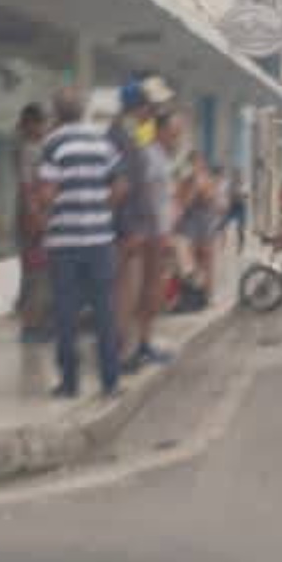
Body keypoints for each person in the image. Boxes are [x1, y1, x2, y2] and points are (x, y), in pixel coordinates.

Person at [34, 87, 124, 399]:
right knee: (104, 311)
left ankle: (69, 383)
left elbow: (47, 192)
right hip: (100, 239)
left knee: (66, 313)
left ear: (57, 112)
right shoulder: (103, 142)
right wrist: (101, 209)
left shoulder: (53, 143)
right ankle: (110, 382)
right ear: (84, 110)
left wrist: (47, 217)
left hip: (64, 242)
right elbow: (120, 184)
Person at [109, 75, 172, 369]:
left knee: (136, 291)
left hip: (141, 228)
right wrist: (130, 227)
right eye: (149, 105)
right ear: (139, 106)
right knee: (126, 293)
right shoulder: (122, 137)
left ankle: (134, 348)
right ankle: (123, 353)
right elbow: (123, 187)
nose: (152, 111)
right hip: (130, 230)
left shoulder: (134, 135)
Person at [123, 110, 183, 372]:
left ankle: (145, 343)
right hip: (150, 235)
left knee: (154, 292)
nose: (177, 140)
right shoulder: (149, 156)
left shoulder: (162, 159)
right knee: (144, 291)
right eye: (173, 134)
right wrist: (155, 231)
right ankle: (134, 347)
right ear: (159, 131)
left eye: (178, 136)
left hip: (159, 234)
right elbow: (144, 195)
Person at [15, 103, 53, 343]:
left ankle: (35, 322)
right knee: (35, 273)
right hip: (33, 218)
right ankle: (31, 326)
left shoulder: (35, 148)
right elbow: (28, 188)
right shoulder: (31, 150)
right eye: (41, 123)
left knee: (37, 271)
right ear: (31, 125)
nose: (44, 127)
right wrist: (36, 218)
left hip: (37, 215)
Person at [175, 157, 221, 305]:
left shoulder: (208, 180)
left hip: (205, 223)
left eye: (199, 166)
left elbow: (212, 200)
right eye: (194, 166)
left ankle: (208, 295)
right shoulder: (184, 182)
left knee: (207, 260)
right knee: (192, 259)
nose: (197, 169)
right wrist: (194, 187)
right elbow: (184, 202)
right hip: (190, 224)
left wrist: (203, 187)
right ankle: (196, 294)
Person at [217, 167, 248, 253]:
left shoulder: (244, 184)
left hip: (241, 207)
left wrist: (238, 195)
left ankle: (240, 246)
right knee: (222, 225)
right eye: (235, 175)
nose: (237, 177)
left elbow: (245, 196)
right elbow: (226, 193)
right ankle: (221, 245)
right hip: (232, 206)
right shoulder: (230, 184)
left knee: (240, 228)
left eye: (238, 175)